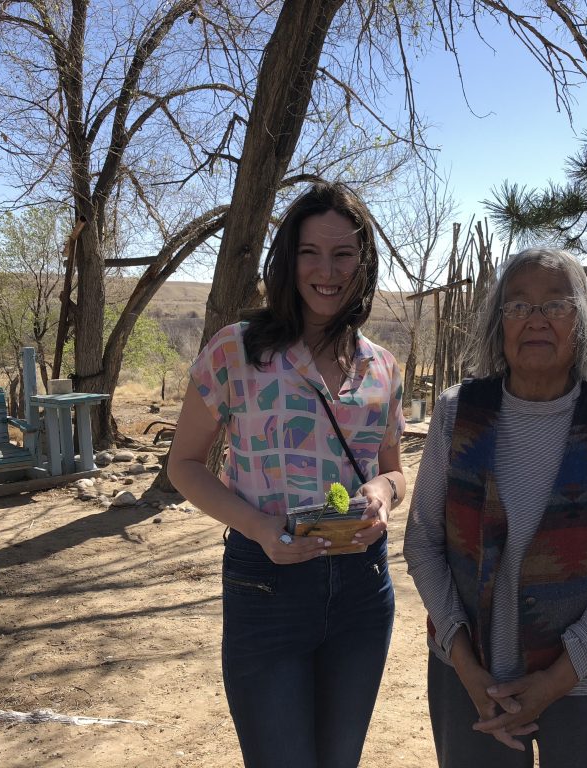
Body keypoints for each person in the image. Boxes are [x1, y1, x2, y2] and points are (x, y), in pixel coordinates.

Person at [168, 181, 406, 768]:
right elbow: (184, 464)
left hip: (360, 592)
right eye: (309, 253)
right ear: (288, 260)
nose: (327, 270)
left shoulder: (383, 367)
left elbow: (397, 472)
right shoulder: (235, 352)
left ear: (364, 263)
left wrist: (382, 492)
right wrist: (257, 528)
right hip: (265, 590)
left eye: (343, 254)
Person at [403, 248, 587, 767]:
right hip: (470, 681)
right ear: (499, 324)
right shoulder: (456, 414)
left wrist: (556, 681)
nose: (536, 320)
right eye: (518, 307)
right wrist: (467, 666)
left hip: (586, 682)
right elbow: (423, 543)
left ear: (580, 321)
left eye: (555, 306)